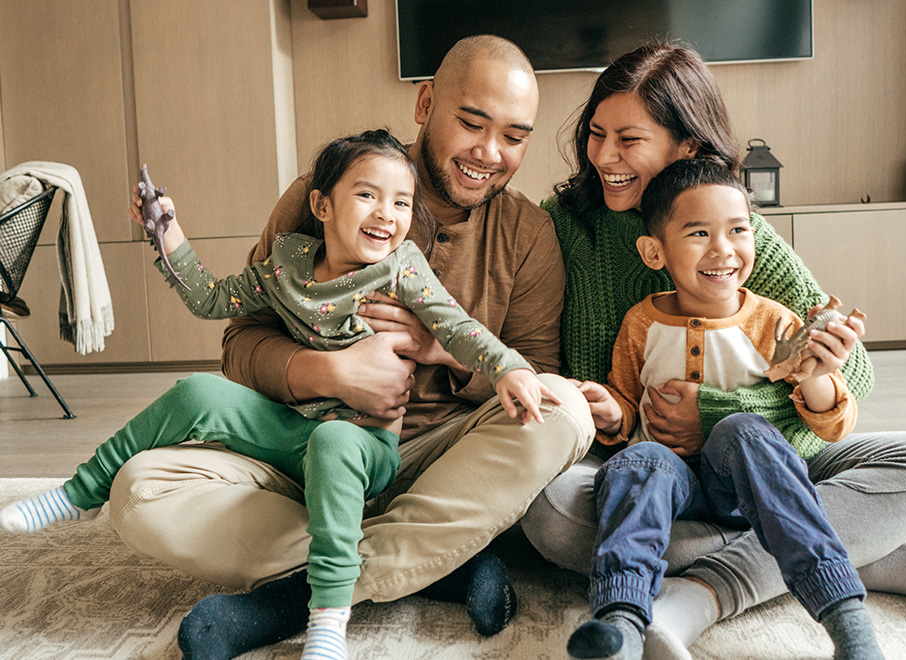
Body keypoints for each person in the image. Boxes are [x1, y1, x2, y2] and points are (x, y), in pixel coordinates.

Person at [102, 35, 596, 659]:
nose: (489, 153)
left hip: (437, 465)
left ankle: (296, 595)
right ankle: (434, 564)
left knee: (561, 409)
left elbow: (533, 373)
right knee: (140, 490)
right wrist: (329, 372)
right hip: (304, 451)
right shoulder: (331, 190)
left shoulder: (528, 233)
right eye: (472, 123)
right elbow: (240, 340)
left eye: (514, 137)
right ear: (424, 103)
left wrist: (439, 349)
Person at [0, 129, 562, 660]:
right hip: (295, 436)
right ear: (322, 206)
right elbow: (212, 301)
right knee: (197, 391)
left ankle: (326, 614)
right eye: (367, 195)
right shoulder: (287, 263)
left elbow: (457, 326)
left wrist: (509, 367)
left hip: (364, 448)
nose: (386, 216)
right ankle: (78, 493)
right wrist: (167, 233)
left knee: (339, 442)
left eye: (401, 203)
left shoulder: (401, 269)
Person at [520, 39, 906, 658]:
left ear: (688, 147)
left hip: (764, 463)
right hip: (645, 469)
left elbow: (850, 377)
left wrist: (716, 412)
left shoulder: (738, 236)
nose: (604, 156)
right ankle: (855, 554)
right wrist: (610, 411)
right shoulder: (564, 225)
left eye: (629, 139)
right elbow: (598, 399)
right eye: (596, 134)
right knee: (549, 515)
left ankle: (698, 595)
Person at [564, 158, 883, 660]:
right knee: (637, 462)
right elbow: (626, 403)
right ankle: (620, 626)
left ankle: (847, 622)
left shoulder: (773, 323)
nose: (723, 250)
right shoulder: (642, 323)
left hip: (747, 485)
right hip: (669, 488)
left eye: (738, 230)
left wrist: (819, 376)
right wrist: (610, 412)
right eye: (699, 234)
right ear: (654, 252)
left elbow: (833, 424)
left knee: (743, 430)